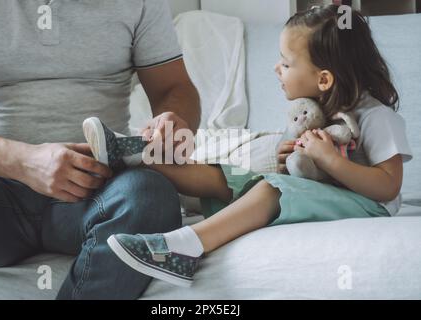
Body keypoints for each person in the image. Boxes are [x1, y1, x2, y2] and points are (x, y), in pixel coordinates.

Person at [99, 5, 412, 287]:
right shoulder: (312, 113)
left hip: (368, 207)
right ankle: (135, 155)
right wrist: (286, 157)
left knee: (269, 190)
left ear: (324, 79)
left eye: (286, 63)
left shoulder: (376, 117)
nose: (277, 69)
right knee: (228, 178)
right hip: (322, 194)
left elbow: (388, 187)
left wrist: (330, 160)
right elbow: (307, 175)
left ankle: (180, 249)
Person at [0, 0, 200, 299]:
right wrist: (24, 162)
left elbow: (175, 88)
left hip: (101, 188)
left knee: (151, 195)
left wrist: (174, 120)